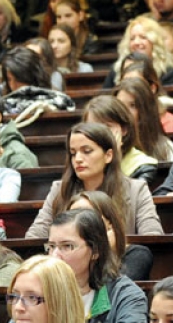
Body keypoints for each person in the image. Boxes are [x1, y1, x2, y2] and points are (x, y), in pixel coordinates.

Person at [27, 123, 163, 238]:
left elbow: (152, 236)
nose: (78, 159)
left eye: (87, 151)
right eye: (73, 153)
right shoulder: (59, 189)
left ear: (108, 155)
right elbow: (34, 237)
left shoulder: (136, 190)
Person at [47, 210, 148, 323]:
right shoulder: (39, 288)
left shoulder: (124, 293)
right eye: (51, 246)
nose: (55, 255)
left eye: (67, 246)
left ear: (95, 251)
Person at [68, 191, 153, 281]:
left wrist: (104, 250)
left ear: (110, 222)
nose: (78, 221)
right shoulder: (63, 252)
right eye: (72, 216)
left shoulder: (138, 254)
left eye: (87, 215)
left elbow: (112, 288)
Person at [82, 95, 158, 187]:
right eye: (92, 127)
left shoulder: (143, 167)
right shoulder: (80, 161)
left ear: (124, 129)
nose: (99, 134)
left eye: (107, 127)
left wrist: (115, 158)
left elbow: (127, 198)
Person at [114, 77, 173, 162]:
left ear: (145, 110)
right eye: (120, 105)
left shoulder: (165, 148)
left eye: (133, 105)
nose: (124, 111)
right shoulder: (108, 146)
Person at [105, 17, 173, 87]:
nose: (136, 42)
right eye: (132, 38)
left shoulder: (167, 71)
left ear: (154, 41)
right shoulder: (116, 70)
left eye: (143, 37)